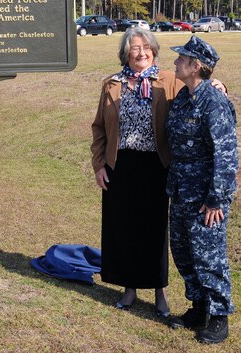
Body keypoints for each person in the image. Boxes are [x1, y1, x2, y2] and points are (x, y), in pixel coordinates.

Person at [91, 27, 183, 317]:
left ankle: (159, 291)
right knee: (123, 227)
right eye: (134, 48)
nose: (141, 52)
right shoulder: (112, 84)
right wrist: (98, 165)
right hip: (120, 166)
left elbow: (198, 90)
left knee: (154, 230)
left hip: (156, 166)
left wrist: (219, 86)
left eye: (146, 47)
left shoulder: (169, 81)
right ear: (125, 53)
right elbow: (99, 128)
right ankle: (129, 289)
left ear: (154, 50)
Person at [166, 36, 238, 344]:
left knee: (209, 256)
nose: (175, 63)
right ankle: (199, 307)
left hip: (205, 197)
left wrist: (216, 200)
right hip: (181, 190)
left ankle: (219, 316)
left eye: (181, 59)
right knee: (183, 253)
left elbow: (226, 155)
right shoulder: (184, 96)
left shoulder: (214, 102)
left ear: (196, 66)